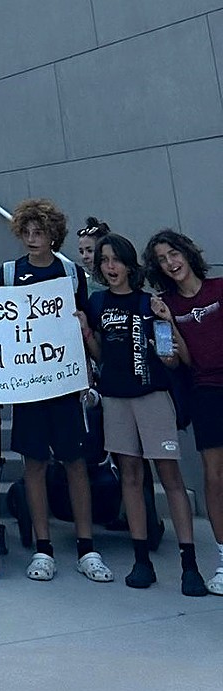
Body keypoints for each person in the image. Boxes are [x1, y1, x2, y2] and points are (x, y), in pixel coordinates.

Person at [0, 198, 111, 584]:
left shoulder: (72, 273)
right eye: (26, 232)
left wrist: (83, 327)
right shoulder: (9, 273)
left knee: (76, 464)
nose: (31, 239)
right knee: (34, 466)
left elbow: (87, 331)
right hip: (28, 387)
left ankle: (85, 546)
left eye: (38, 232)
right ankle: (43, 548)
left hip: (66, 385)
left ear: (52, 235)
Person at [83, 234, 205, 595]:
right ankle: (141, 560)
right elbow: (100, 354)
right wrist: (86, 332)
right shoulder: (97, 302)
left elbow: (175, 358)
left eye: (116, 259)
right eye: (104, 260)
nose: (110, 266)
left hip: (153, 397)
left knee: (170, 477)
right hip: (116, 399)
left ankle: (189, 564)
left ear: (129, 264)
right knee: (131, 478)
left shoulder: (150, 303)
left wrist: (167, 336)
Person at [145, 228, 223, 596]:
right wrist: (168, 330)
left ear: (187, 253)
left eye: (173, 254)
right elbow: (178, 362)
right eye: (161, 259)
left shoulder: (219, 288)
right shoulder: (163, 305)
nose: (170, 263)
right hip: (205, 392)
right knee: (214, 476)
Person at [77, 217, 111, 293]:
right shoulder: (81, 287)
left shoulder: (121, 284)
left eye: (90, 250)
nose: (84, 256)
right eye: (81, 252)